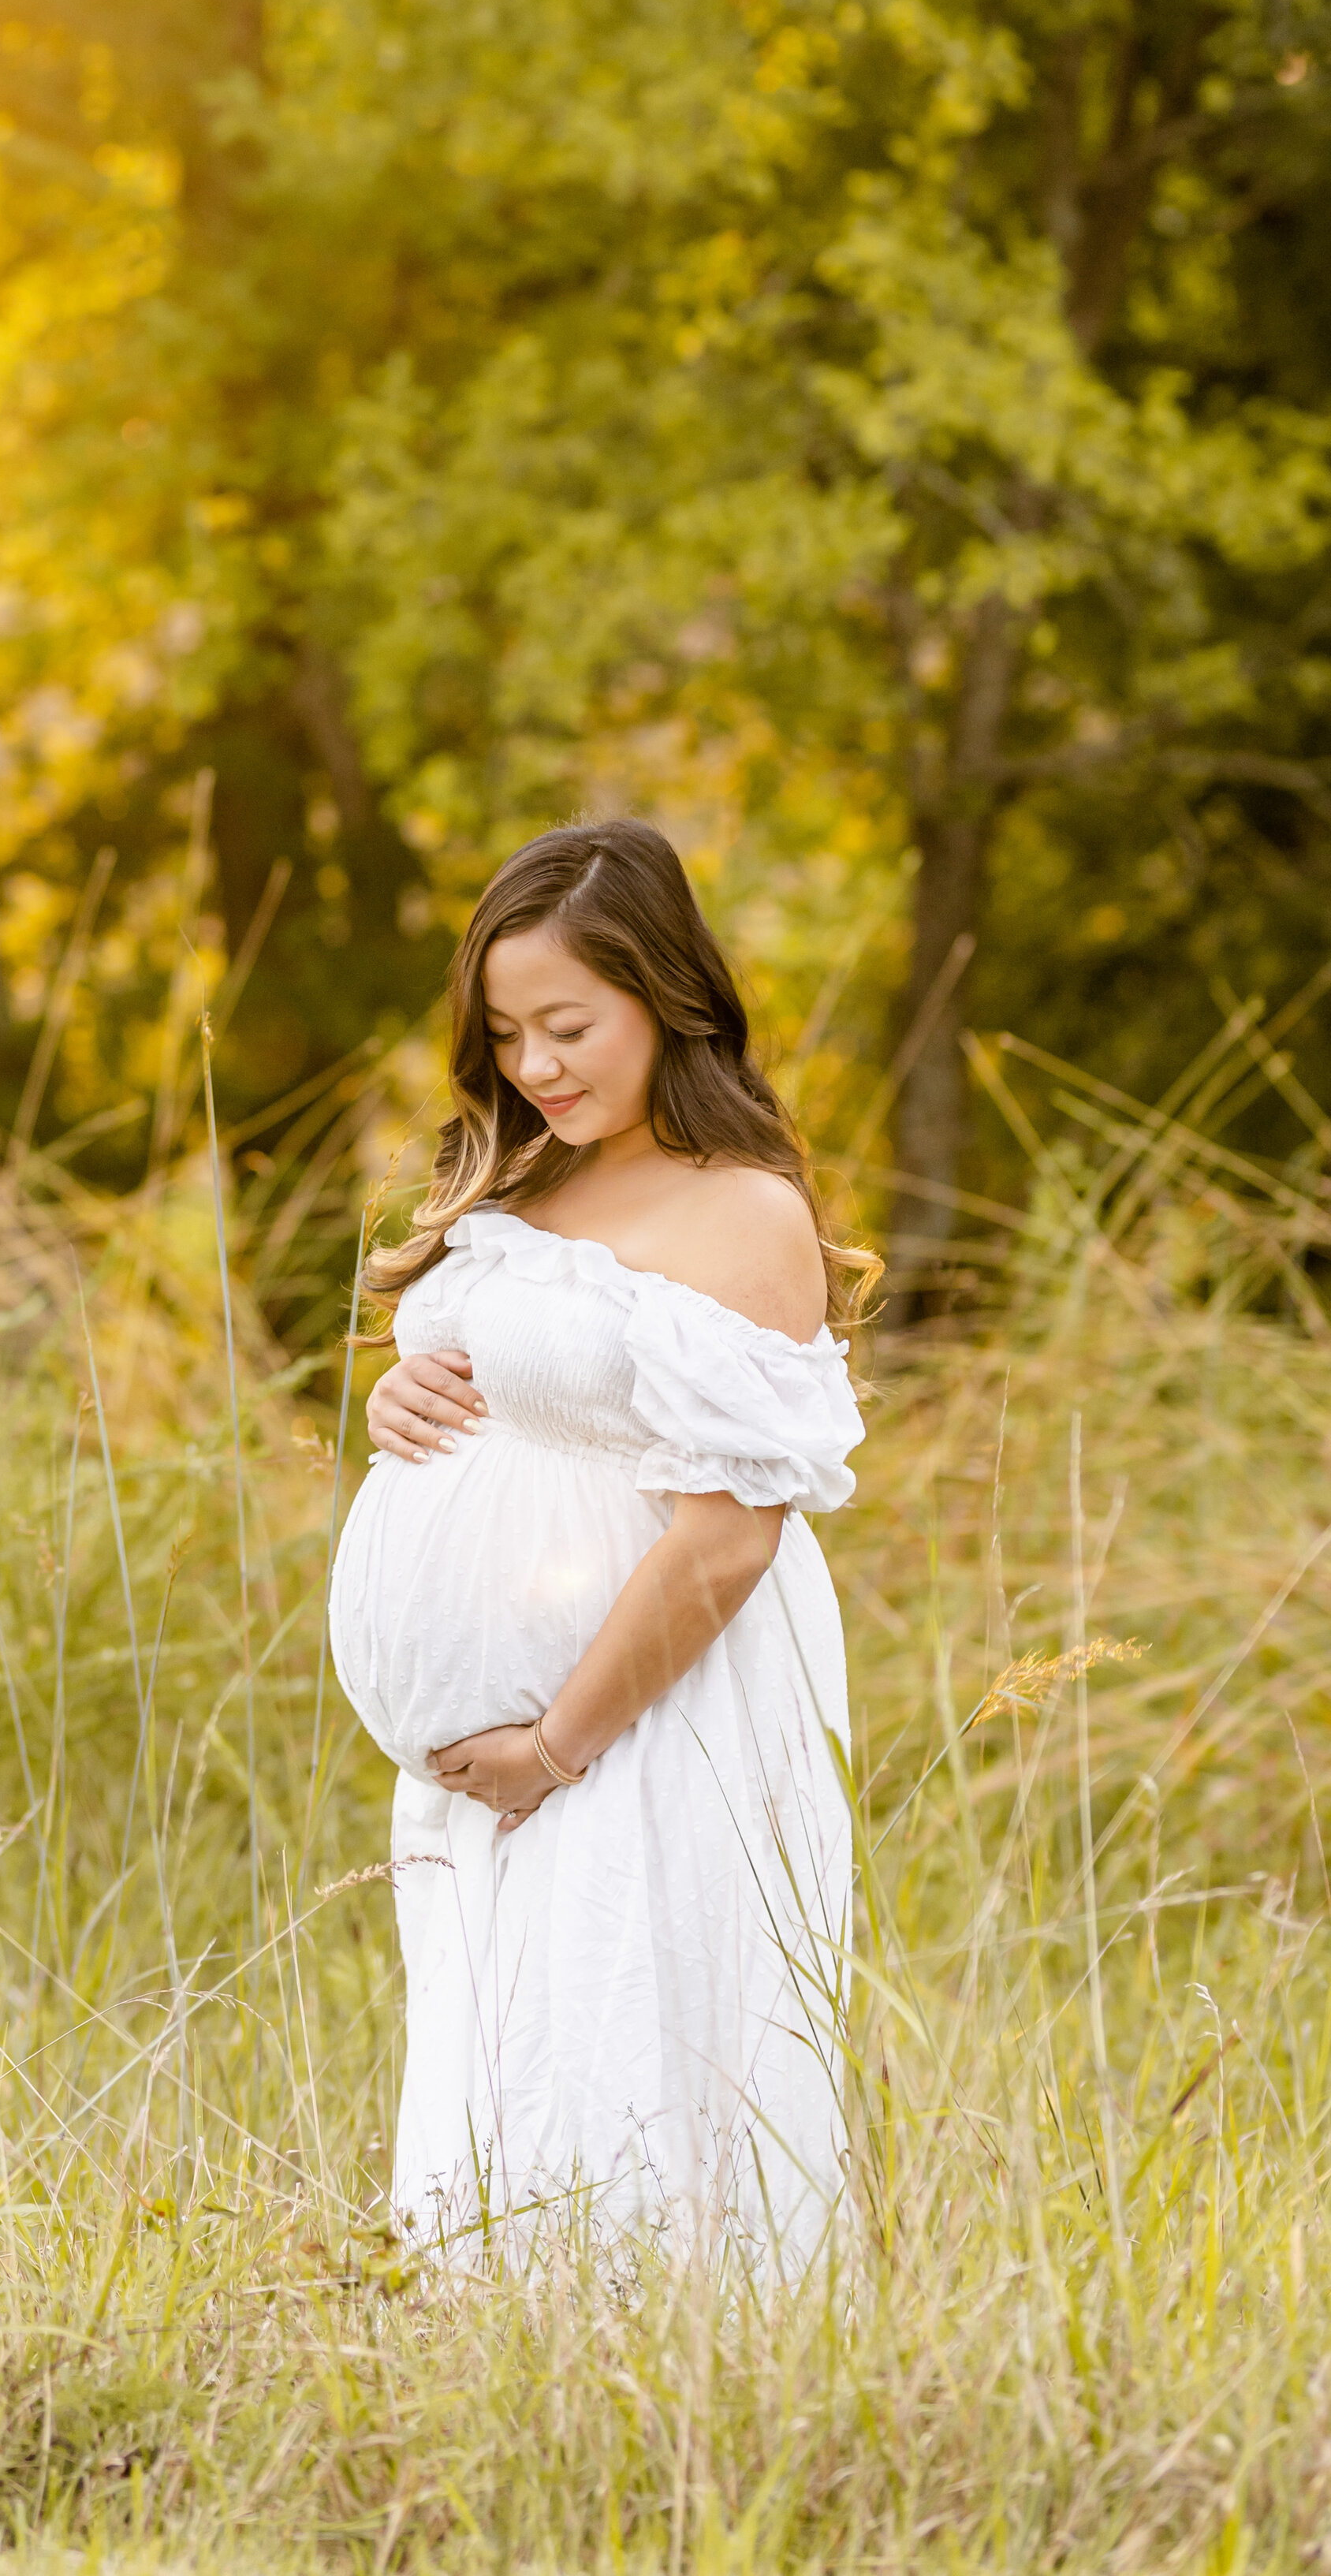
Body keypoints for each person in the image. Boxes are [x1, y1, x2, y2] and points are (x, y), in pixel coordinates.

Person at [328, 818, 864, 2268]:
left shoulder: (744, 1214)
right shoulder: (521, 1181)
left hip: (640, 1724)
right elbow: (516, 1393)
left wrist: (556, 1747)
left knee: (631, 2045)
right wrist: (400, 1397)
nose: (537, 1066)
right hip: (495, 1768)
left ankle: (681, 2419)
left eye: (568, 1026)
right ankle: (506, 2420)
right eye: (506, 1035)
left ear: (670, 999)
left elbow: (725, 1542)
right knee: (509, 2070)